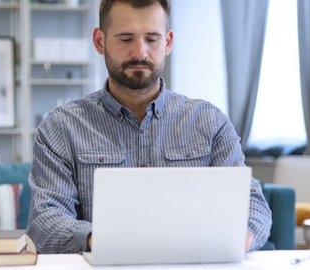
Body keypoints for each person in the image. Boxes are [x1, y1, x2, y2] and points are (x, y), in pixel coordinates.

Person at [27, 0, 272, 254]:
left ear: (168, 42)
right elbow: (45, 221)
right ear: (99, 41)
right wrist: (101, 240)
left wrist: (244, 234)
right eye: (125, 38)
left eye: (152, 39)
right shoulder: (61, 127)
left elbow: (251, 203)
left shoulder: (210, 123)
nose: (140, 53)